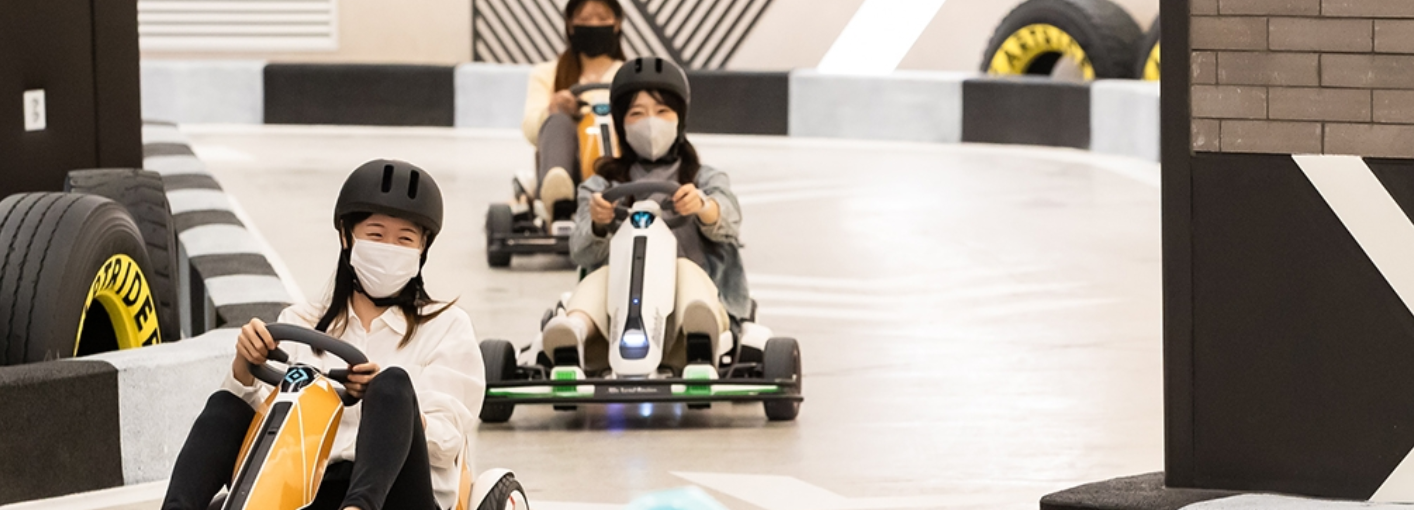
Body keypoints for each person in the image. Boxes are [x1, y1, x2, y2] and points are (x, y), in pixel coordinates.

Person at [161, 160, 484, 510]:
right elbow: (263, 431)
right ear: (347, 237)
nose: (389, 247)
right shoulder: (300, 323)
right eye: (376, 235)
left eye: (404, 239)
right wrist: (245, 364)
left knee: (391, 385)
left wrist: (388, 407)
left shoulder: (447, 327)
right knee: (228, 405)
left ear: (422, 249)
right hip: (312, 493)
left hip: (400, 498)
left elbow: (447, 442)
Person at [541, 56, 750, 372]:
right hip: (617, 315)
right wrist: (598, 222)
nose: (651, 123)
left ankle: (699, 335)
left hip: (685, 322)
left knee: (684, 270)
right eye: (637, 114)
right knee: (602, 276)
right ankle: (575, 332)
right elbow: (580, 252)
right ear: (621, 124)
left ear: (679, 119)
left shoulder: (703, 178)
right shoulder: (600, 185)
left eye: (662, 112)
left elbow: (730, 220)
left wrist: (703, 206)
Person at [522, 0, 627, 217]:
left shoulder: (629, 74)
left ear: (617, 24)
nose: (594, 25)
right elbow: (530, 130)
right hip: (574, 163)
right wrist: (553, 108)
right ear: (571, 25)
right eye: (585, 19)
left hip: (620, 161)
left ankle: (627, 192)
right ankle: (558, 197)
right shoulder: (547, 74)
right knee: (558, 120)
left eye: (602, 18)